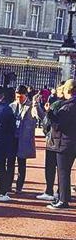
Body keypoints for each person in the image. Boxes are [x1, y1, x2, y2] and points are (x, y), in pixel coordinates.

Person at [43, 78, 76, 209]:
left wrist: (49, 113)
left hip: (65, 142)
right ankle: (65, 196)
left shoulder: (68, 106)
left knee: (63, 172)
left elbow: (58, 125)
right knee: (65, 172)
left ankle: (63, 200)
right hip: (71, 142)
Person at [8, 85, 38, 193]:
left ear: (26, 95)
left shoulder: (31, 106)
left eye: (20, 97)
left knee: (21, 164)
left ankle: (19, 186)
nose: (18, 99)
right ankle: (8, 185)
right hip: (12, 138)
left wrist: (36, 107)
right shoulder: (11, 105)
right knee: (10, 163)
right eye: (17, 97)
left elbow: (40, 117)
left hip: (23, 139)